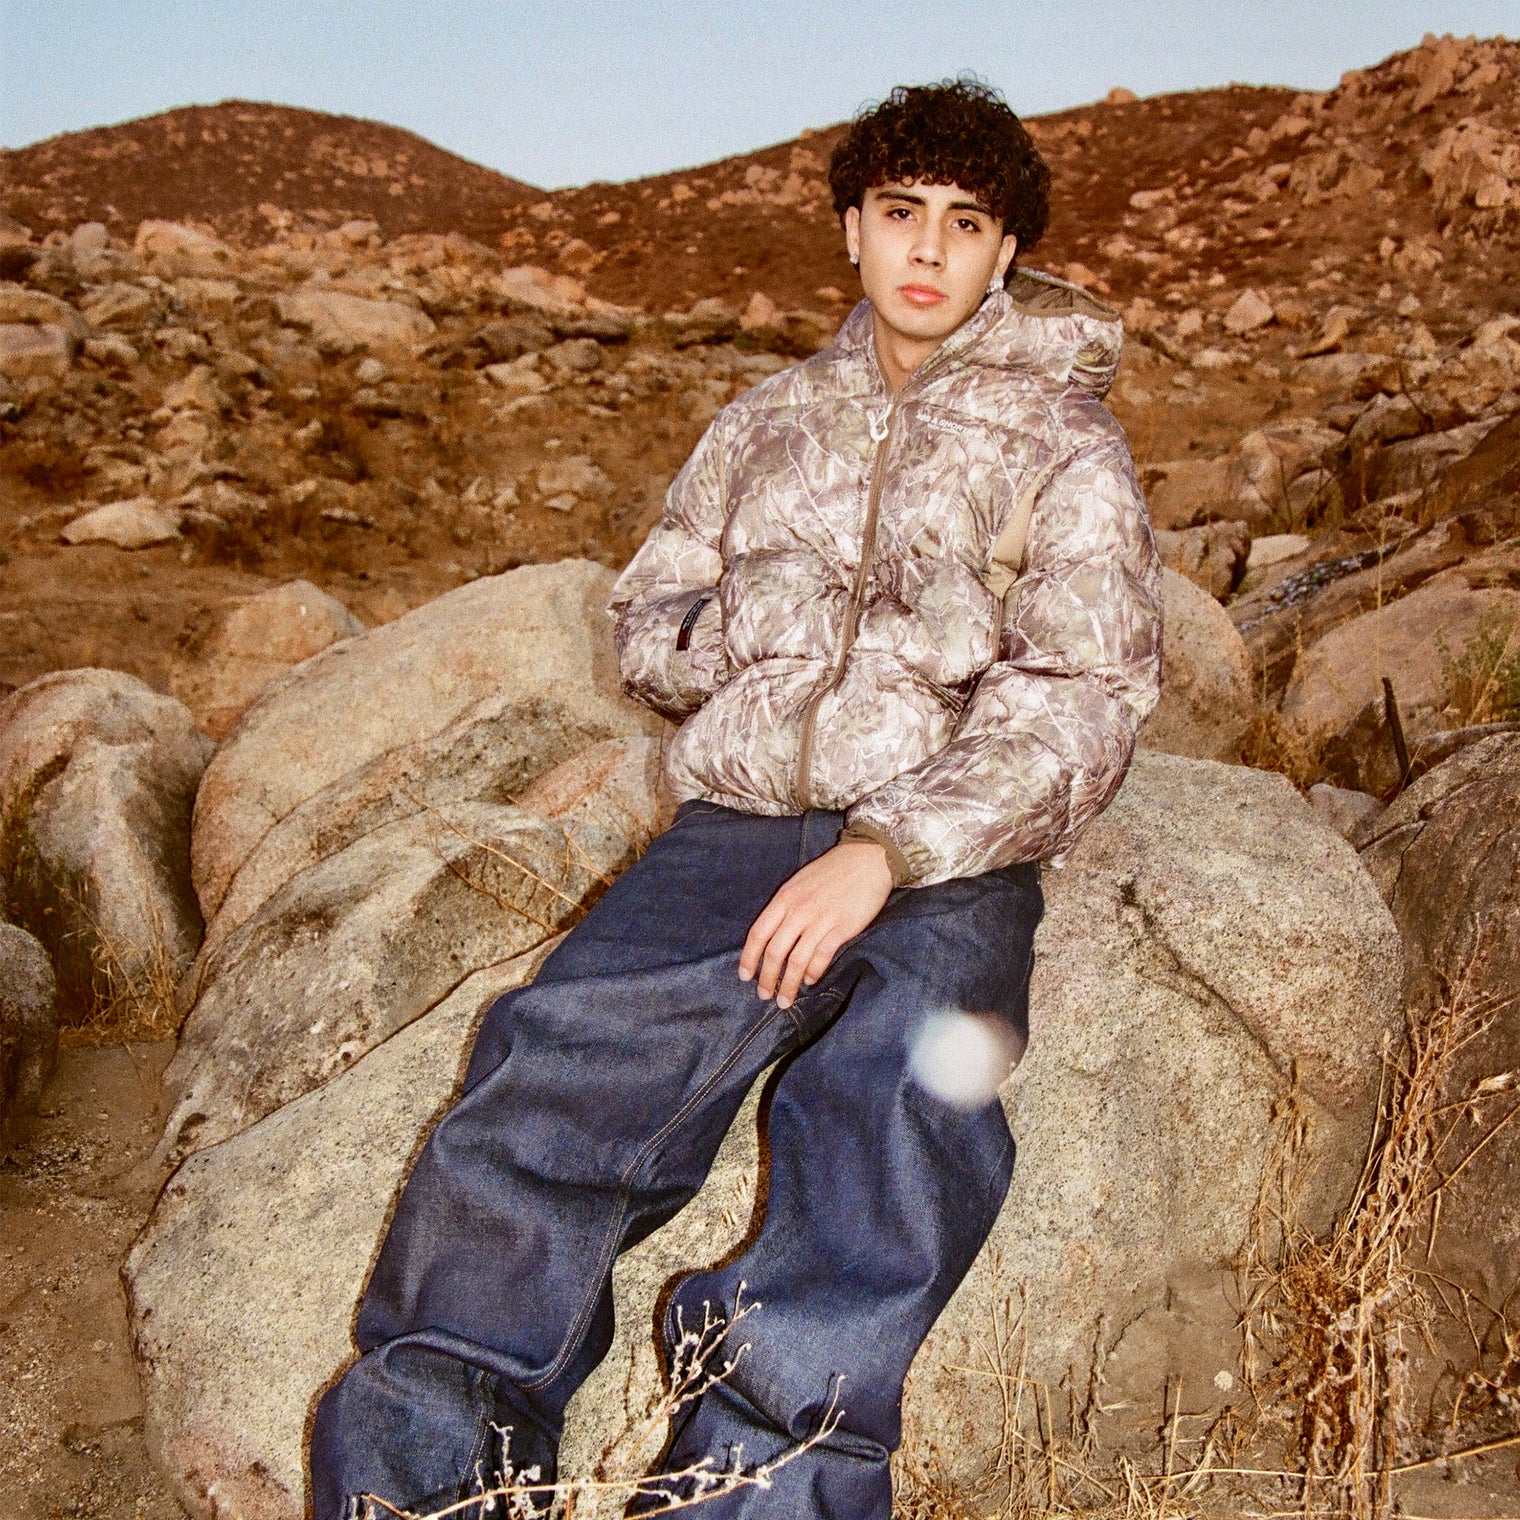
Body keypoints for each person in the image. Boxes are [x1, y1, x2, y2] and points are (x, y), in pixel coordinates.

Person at [310, 77, 1162, 1520]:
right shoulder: (767, 423)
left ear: (1006, 251)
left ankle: (757, 1491)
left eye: (967, 225)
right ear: (851, 228)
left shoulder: (1062, 447)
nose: (929, 252)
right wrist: (739, 655)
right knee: (545, 1078)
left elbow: (1090, 692)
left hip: (946, 852)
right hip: (734, 831)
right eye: (902, 215)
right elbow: (653, 609)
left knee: (896, 1108)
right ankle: (429, 1485)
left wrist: (889, 851)